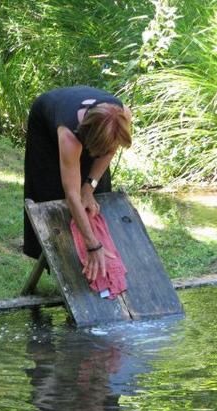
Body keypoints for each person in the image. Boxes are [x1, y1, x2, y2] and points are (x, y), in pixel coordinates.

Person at [23, 85, 132, 282]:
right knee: (53, 196)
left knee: (95, 196)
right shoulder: (68, 136)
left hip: (93, 126)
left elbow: (110, 150)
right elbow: (72, 195)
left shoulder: (122, 116)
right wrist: (92, 245)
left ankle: (100, 266)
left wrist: (89, 186)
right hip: (47, 127)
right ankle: (66, 268)